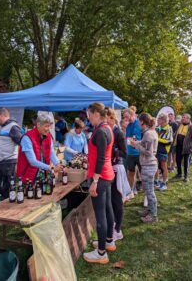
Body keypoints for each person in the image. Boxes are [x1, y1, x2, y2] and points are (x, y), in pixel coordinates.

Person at [83, 102, 115, 264]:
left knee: (100, 215)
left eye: (89, 114)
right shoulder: (106, 128)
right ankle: (108, 241)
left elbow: (101, 158)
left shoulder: (101, 131)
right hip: (106, 175)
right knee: (108, 209)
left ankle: (101, 252)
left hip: (101, 177)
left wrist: (94, 181)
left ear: (96, 113)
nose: (87, 118)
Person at [105, 108, 130, 241]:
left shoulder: (118, 132)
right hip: (109, 168)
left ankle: (118, 230)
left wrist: (113, 150)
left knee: (117, 200)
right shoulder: (108, 131)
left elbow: (124, 153)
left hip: (117, 168)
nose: (104, 121)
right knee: (112, 201)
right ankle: (114, 226)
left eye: (106, 119)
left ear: (111, 118)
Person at [131, 113, 158, 223]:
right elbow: (145, 145)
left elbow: (148, 152)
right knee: (147, 190)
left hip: (149, 165)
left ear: (142, 121)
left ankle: (153, 215)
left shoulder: (148, 134)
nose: (137, 122)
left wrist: (136, 146)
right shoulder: (150, 132)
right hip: (149, 165)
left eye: (138, 120)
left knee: (150, 191)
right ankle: (149, 210)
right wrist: (137, 143)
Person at [0, 107, 22, 198]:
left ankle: (9, 200)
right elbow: (6, 140)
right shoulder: (1, 126)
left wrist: (18, 162)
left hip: (9, 162)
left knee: (9, 187)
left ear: (2, 115)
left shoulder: (13, 127)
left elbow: (22, 144)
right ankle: (8, 196)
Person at [17, 114, 60, 182]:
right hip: (27, 176)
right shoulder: (27, 138)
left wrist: (58, 164)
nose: (48, 129)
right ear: (38, 125)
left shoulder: (48, 136)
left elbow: (51, 153)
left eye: (49, 126)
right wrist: (50, 168)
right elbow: (32, 161)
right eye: (46, 126)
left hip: (42, 174)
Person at [173, 114, 192, 182]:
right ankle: (179, 174)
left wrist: (191, 144)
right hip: (178, 146)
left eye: (184, 118)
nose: (182, 118)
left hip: (187, 147)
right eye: (182, 117)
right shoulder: (180, 124)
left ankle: (186, 176)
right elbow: (176, 133)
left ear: (188, 119)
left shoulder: (191, 127)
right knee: (178, 160)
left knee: (186, 162)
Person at [124, 108, 142, 197]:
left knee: (142, 174)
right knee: (131, 172)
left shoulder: (139, 123)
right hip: (130, 153)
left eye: (127, 117)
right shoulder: (128, 125)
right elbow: (128, 138)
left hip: (139, 153)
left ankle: (146, 195)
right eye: (124, 117)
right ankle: (131, 190)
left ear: (132, 114)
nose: (126, 119)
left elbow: (140, 138)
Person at [154, 113, 173, 191]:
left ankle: (164, 183)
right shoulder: (158, 128)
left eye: (159, 119)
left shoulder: (169, 128)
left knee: (163, 167)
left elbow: (169, 141)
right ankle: (156, 181)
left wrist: (157, 139)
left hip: (163, 150)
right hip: (156, 149)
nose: (157, 120)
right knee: (155, 166)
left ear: (163, 120)